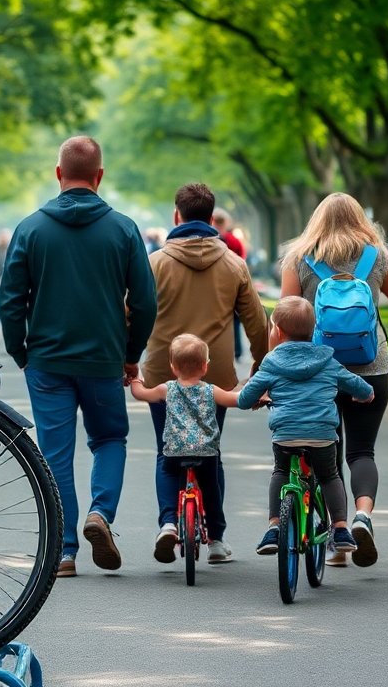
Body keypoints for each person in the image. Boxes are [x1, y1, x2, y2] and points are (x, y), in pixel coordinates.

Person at [0, 135, 157, 578]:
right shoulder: (124, 229)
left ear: (58, 174)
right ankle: (100, 513)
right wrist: (131, 354)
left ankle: (64, 550)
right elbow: (145, 301)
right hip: (104, 359)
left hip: (47, 361)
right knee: (109, 440)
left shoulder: (30, 228)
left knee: (54, 453)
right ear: (100, 176)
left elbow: (11, 299)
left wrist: (20, 351)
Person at [281, 192, 388, 568]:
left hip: (317, 370)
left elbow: (285, 315)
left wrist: (274, 362)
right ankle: (362, 516)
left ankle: (334, 541)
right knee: (361, 452)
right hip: (372, 366)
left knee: (324, 452)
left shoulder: (301, 258)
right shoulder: (375, 256)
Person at [141, 183, 269, 565]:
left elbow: (131, 314)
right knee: (209, 453)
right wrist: (260, 365)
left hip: (163, 373)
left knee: (168, 452)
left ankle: (168, 522)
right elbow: (257, 323)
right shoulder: (233, 264)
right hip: (216, 377)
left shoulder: (156, 263)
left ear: (176, 216)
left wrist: (128, 362)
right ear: (212, 219)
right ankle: (216, 538)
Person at [237, 297, 373, 555]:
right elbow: (358, 386)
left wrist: (259, 396)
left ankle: (274, 527)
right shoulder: (328, 361)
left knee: (280, 472)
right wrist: (365, 394)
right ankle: (341, 528)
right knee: (329, 475)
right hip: (322, 435)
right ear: (315, 330)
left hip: (286, 435)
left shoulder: (271, 362)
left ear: (276, 331)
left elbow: (244, 399)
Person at [129, 335, 242, 563]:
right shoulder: (211, 391)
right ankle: (216, 540)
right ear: (205, 366)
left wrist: (136, 379)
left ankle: (169, 523)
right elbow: (235, 400)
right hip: (206, 453)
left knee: (167, 472)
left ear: (172, 367)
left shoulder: (166, 389)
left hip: (174, 451)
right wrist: (252, 389)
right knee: (211, 492)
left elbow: (141, 394)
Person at [212, 207, 247, 358]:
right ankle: (237, 351)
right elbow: (242, 263)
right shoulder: (235, 241)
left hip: (215, 287)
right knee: (235, 322)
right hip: (233, 287)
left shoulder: (209, 239)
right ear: (226, 222)